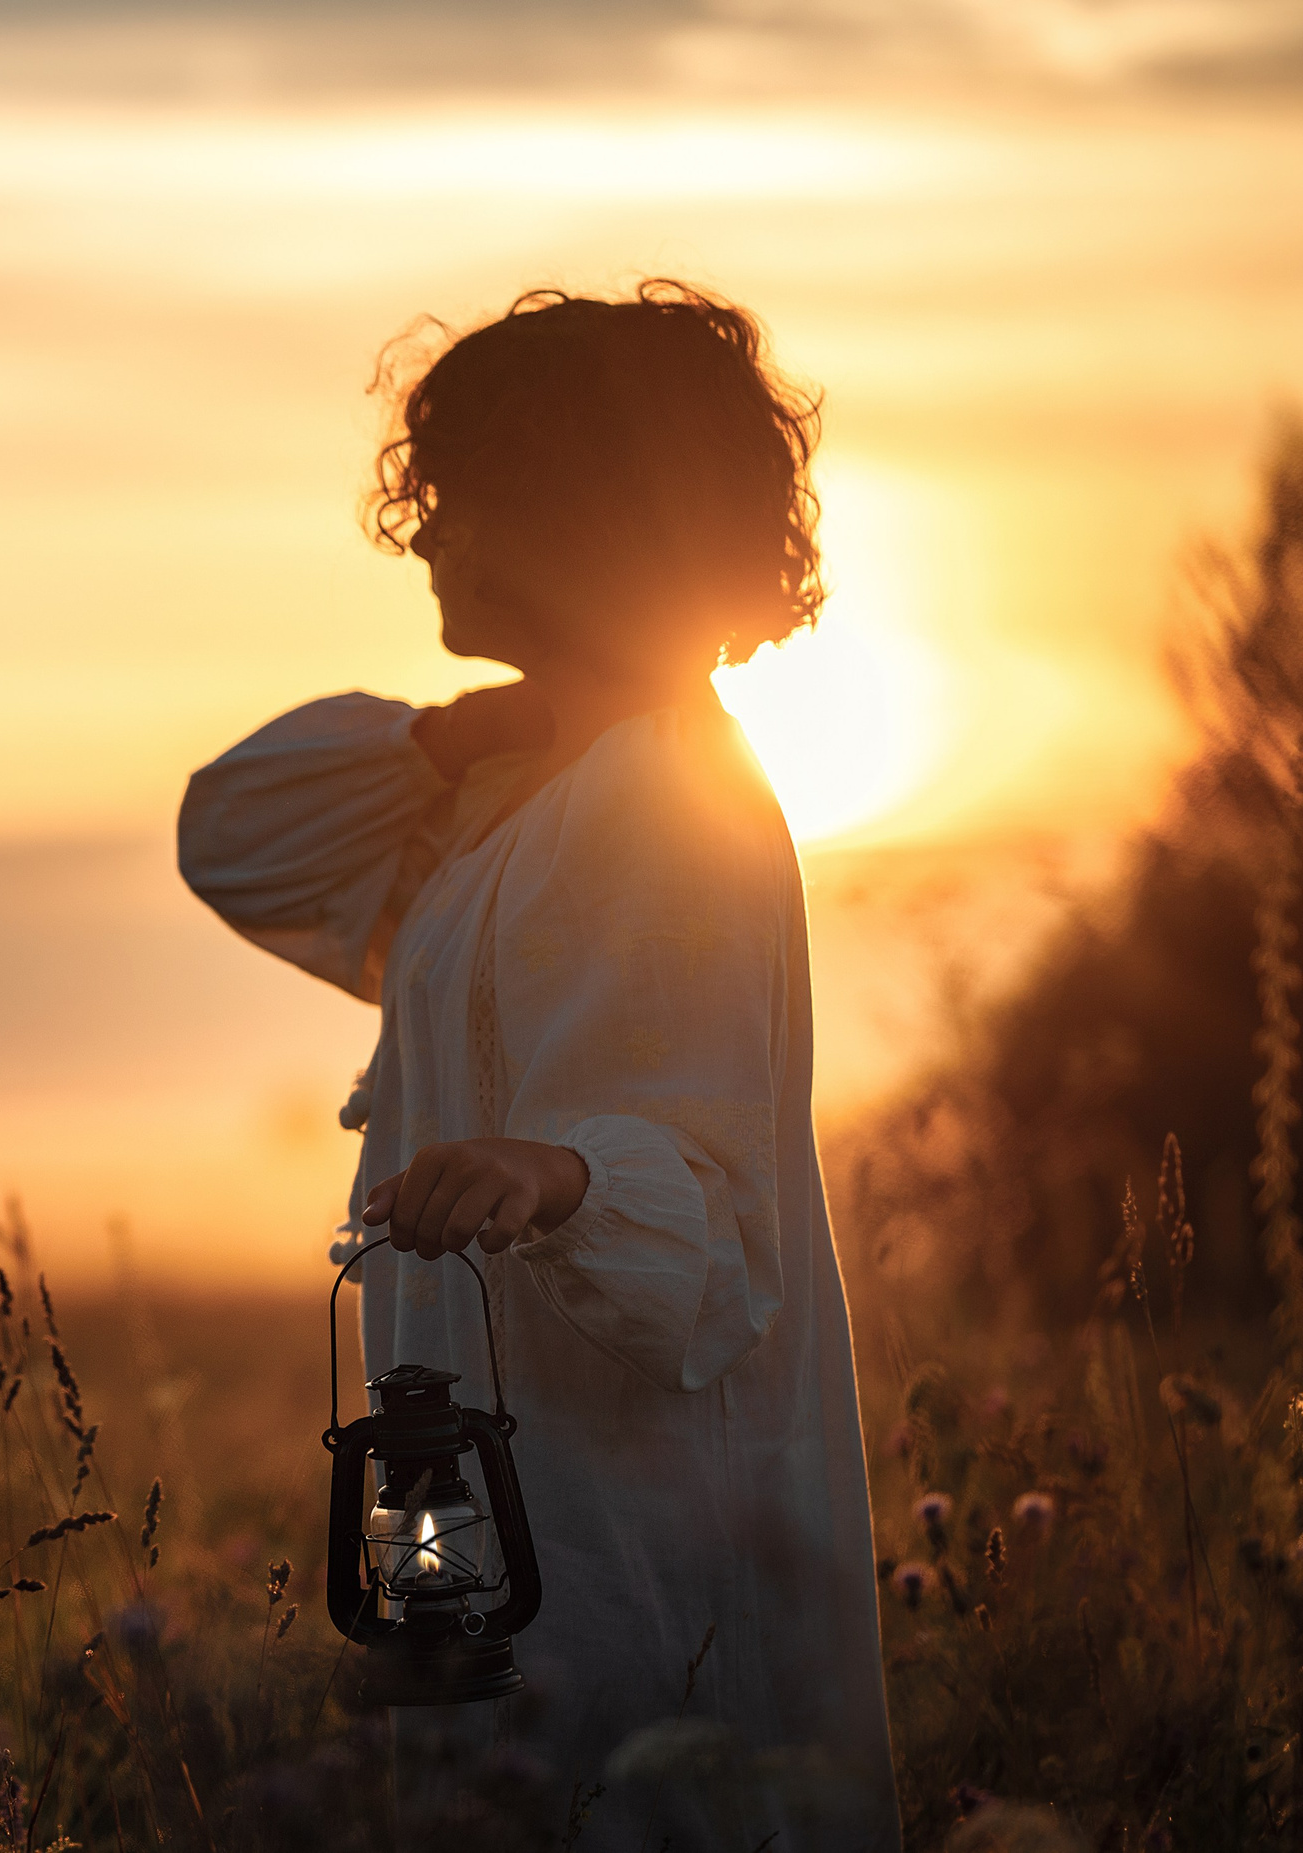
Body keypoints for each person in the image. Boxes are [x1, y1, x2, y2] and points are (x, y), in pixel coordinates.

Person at [178, 282, 898, 1851]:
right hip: (502, 1515)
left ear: (573, 507)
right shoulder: (510, 801)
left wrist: (560, 1171)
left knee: (648, 1798)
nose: (424, 537)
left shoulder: (667, 793)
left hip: (636, 1528)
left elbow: (713, 1226)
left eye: (460, 496)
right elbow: (229, 831)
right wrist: (463, 732)